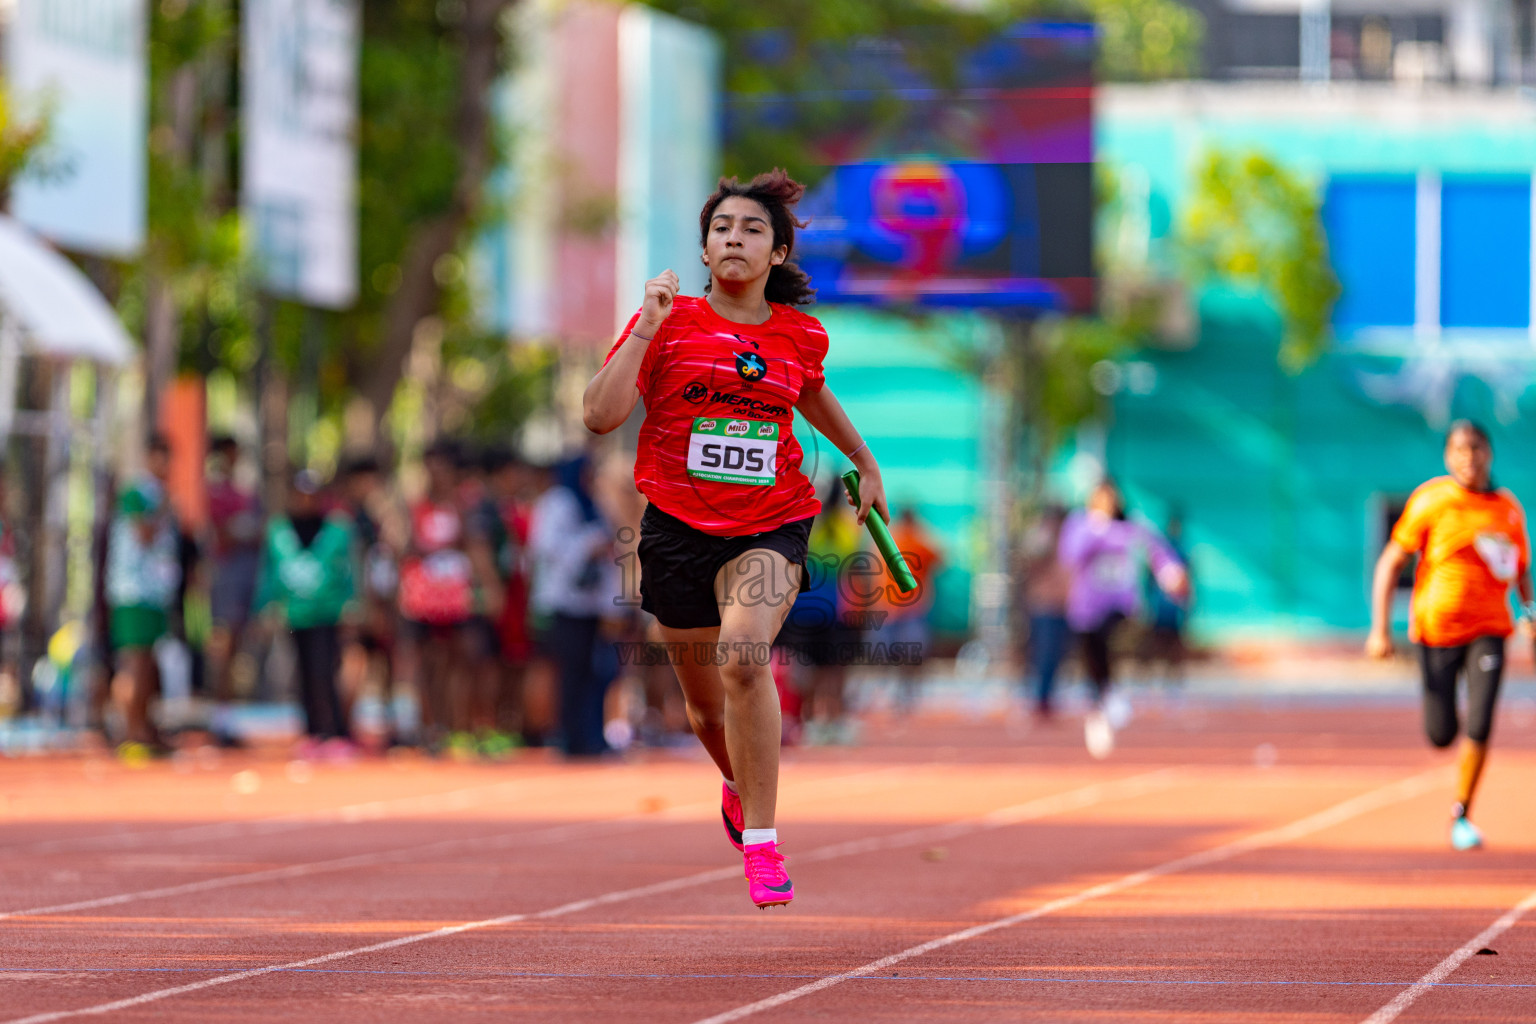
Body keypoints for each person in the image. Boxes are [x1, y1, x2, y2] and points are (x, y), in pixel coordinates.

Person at [582, 169, 888, 909]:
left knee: (745, 658)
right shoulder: (669, 321)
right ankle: (733, 782)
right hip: (677, 529)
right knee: (704, 711)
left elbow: (809, 390)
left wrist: (863, 460)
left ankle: (762, 841)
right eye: (722, 229)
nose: (734, 239)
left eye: (752, 229)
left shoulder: (799, 334)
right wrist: (647, 324)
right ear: (704, 246)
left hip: (771, 522)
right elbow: (599, 414)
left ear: (778, 252)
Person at [1366, 420, 1533, 851]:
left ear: (1489, 454)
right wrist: (1380, 629)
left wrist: (1530, 614)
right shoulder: (1431, 500)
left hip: (1490, 628)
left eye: (1476, 449)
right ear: (1447, 457)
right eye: (1459, 450)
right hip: (1437, 632)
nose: (1468, 458)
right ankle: (1445, 721)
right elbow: (1389, 563)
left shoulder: (1508, 508)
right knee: (1441, 734)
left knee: (1480, 721)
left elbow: (1521, 570)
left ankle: (1462, 812)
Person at [1058, 479, 1187, 759]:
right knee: (1091, 658)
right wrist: (1095, 529)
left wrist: (1171, 574)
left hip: (1120, 604)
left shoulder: (1131, 528)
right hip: (1084, 607)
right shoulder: (1080, 525)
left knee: (1110, 639)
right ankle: (1102, 704)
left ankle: (1108, 696)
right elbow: (1069, 555)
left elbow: (1157, 552)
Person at [255, 470, 358, 759]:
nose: (305, 500)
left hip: (327, 611)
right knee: (302, 672)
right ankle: (312, 731)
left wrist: (353, 604)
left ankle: (336, 731)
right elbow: (268, 572)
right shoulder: (279, 529)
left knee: (326, 670)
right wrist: (264, 606)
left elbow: (349, 570)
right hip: (294, 613)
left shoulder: (336, 528)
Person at [528, 453, 618, 757]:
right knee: (569, 673)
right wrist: (587, 545)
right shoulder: (557, 503)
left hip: (590, 605)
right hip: (562, 602)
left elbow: (610, 547)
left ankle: (591, 735)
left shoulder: (594, 504)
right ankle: (568, 736)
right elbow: (545, 547)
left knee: (593, 672)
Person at [104, 478, 181, 756]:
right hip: (132, 594)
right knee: (133, 663)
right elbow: (144, 534)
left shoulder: (158, 494)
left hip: (153, 595)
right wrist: (163, 511)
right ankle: (128, 731)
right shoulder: (135, 493)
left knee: (147, 664)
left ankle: (143, 729)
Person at [337, 454, 405, 747]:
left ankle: (389, 727)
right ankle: (342, 726)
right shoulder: (346, 517)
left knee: (386, 661)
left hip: (385, 598)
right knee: (355, 660)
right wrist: (362, 603)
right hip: (361, 601)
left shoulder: (384, 514)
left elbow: (399, 549)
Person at [203, 436, 263, 747]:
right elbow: (220, 534)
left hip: (245, 576)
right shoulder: (213, 492)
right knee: (222, 644)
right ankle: (220, 718)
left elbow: (260, 532)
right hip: (225, 577)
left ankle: (228, 718)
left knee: (237, 646)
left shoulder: (246, 493)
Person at [867, 506, 942, 716]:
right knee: (902, 655)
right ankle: (900, 693)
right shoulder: (914, 538)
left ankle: (901, 693)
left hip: (899, 608)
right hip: (901, 609)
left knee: (902, 655)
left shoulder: (896, 538)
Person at [1019, 505, 1071, 720]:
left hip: (1065, 606)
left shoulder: (1071, 539)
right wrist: (1049, 536)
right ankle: (1040, 698)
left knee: (1059, 656)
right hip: (1043, 606)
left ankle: (1048, 697)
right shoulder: (1041, 536)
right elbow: (1032, 558)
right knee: (1043, 655)